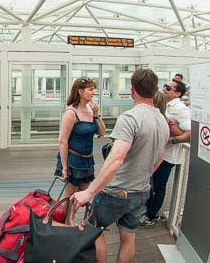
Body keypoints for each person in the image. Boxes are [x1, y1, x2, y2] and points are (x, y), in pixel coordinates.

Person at [71, 69, 169, 263]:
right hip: (141, 191)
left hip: (116, 191)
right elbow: (160, 157)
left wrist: (89, 192)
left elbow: (116, 159)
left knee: (93, 230)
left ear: (132, 90)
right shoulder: (162, 120)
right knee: (128, 236)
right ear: (156, 89)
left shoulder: (129, 118)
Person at [139, 79, 191, 227]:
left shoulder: (181, 109)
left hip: (168, 155)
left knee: (158, 186)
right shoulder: (164, 105)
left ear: (178, 93)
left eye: (168, 87)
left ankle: (151, 215)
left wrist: (172, 139)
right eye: (164, 86)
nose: (165, 89)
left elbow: (190, 133)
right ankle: (148, 209)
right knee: (151, 183)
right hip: (157, 152)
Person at [55, 77, 105, 222]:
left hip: (87, 160)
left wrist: (96, 115)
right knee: (69, 196)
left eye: (93, 89)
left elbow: (101, 132)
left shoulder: (90, 110)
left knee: (82, 194)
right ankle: (66, 222)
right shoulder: (71, 113)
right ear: (80, 91)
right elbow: (62, 141)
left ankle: (70, 218)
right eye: (90, 89)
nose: (93, 93)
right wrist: (64, 168)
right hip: (73, 160)